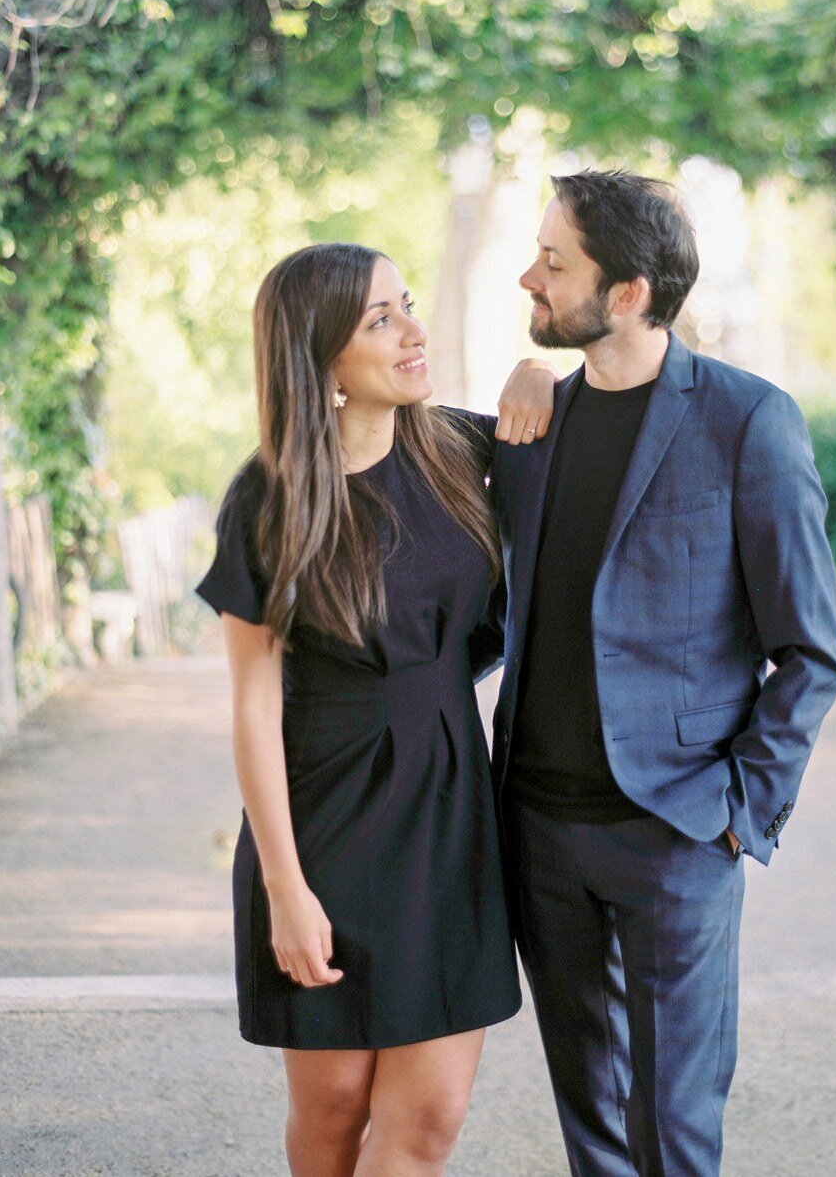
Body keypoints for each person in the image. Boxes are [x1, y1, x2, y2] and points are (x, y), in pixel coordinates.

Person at [487, 169, 836, 1177]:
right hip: (538, 830)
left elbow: (808, 649)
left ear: (631, 291)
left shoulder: (746, 423)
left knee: (673, 1122)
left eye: (554, 264)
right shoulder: (528, 429)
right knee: (588, 1118)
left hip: (675, 829)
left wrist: (738, 807)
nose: (529, 276)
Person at [194, 241, 554, 1177]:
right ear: (321, 360)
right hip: (324, 821)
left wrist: (533, 367)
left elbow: (562, 414)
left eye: (406, 305)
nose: (412, 331)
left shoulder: (455, 449)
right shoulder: (270, 497)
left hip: (447, 812)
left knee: (429, 1118)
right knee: (333, 1110)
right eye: (379, 320)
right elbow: (251, 704)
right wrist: (285, 888)